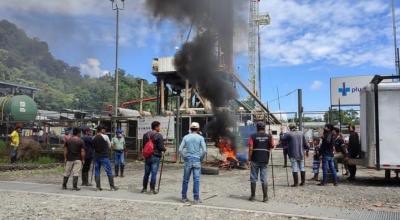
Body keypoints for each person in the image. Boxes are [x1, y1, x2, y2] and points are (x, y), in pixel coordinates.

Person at [179, 122, 207, 204]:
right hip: (197, 160)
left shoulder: (186, 137)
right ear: (198, 129)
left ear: (190, 129)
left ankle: (184, 197)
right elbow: (204, 150)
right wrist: (200, 158)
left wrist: (184, 158)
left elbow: (180, 149)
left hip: (188, 160)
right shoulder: (200, 138)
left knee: (185, 180)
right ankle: (196, 198)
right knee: (196, 180)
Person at [248, 122, 273, 202]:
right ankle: (265, 197)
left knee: (253, 178)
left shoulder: (252, 136)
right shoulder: (269, 136)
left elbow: (251, 148)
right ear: (264, 127)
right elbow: (272, 146)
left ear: (257, 128)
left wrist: (249, 158)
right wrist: (270, 136)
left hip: (255, 159)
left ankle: (253, 197)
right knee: (264, 178)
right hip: (265, 159)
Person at [141, 121, 166, 194]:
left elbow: (144, 146)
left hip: (147, 156)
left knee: (146, 173)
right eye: (159, 126)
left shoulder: (145, 135)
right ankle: (152, 189)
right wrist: (164, 149)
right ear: (156, 127)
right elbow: (161, 147)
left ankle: (144, 188)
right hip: (155, 156)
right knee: (154, 173)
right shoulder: (159, 135)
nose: (159, 128)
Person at [92, 125, 118, 191]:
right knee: (109, 171)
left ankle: (98, 187)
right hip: (104, 156)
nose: (105, 131)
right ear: (102, 130)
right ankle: (112, 187)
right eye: (104, 129)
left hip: (96, 157)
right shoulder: (105, 136)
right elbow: (109, 146)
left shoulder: (93, 137)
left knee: (97, 171)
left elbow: (93, 147)